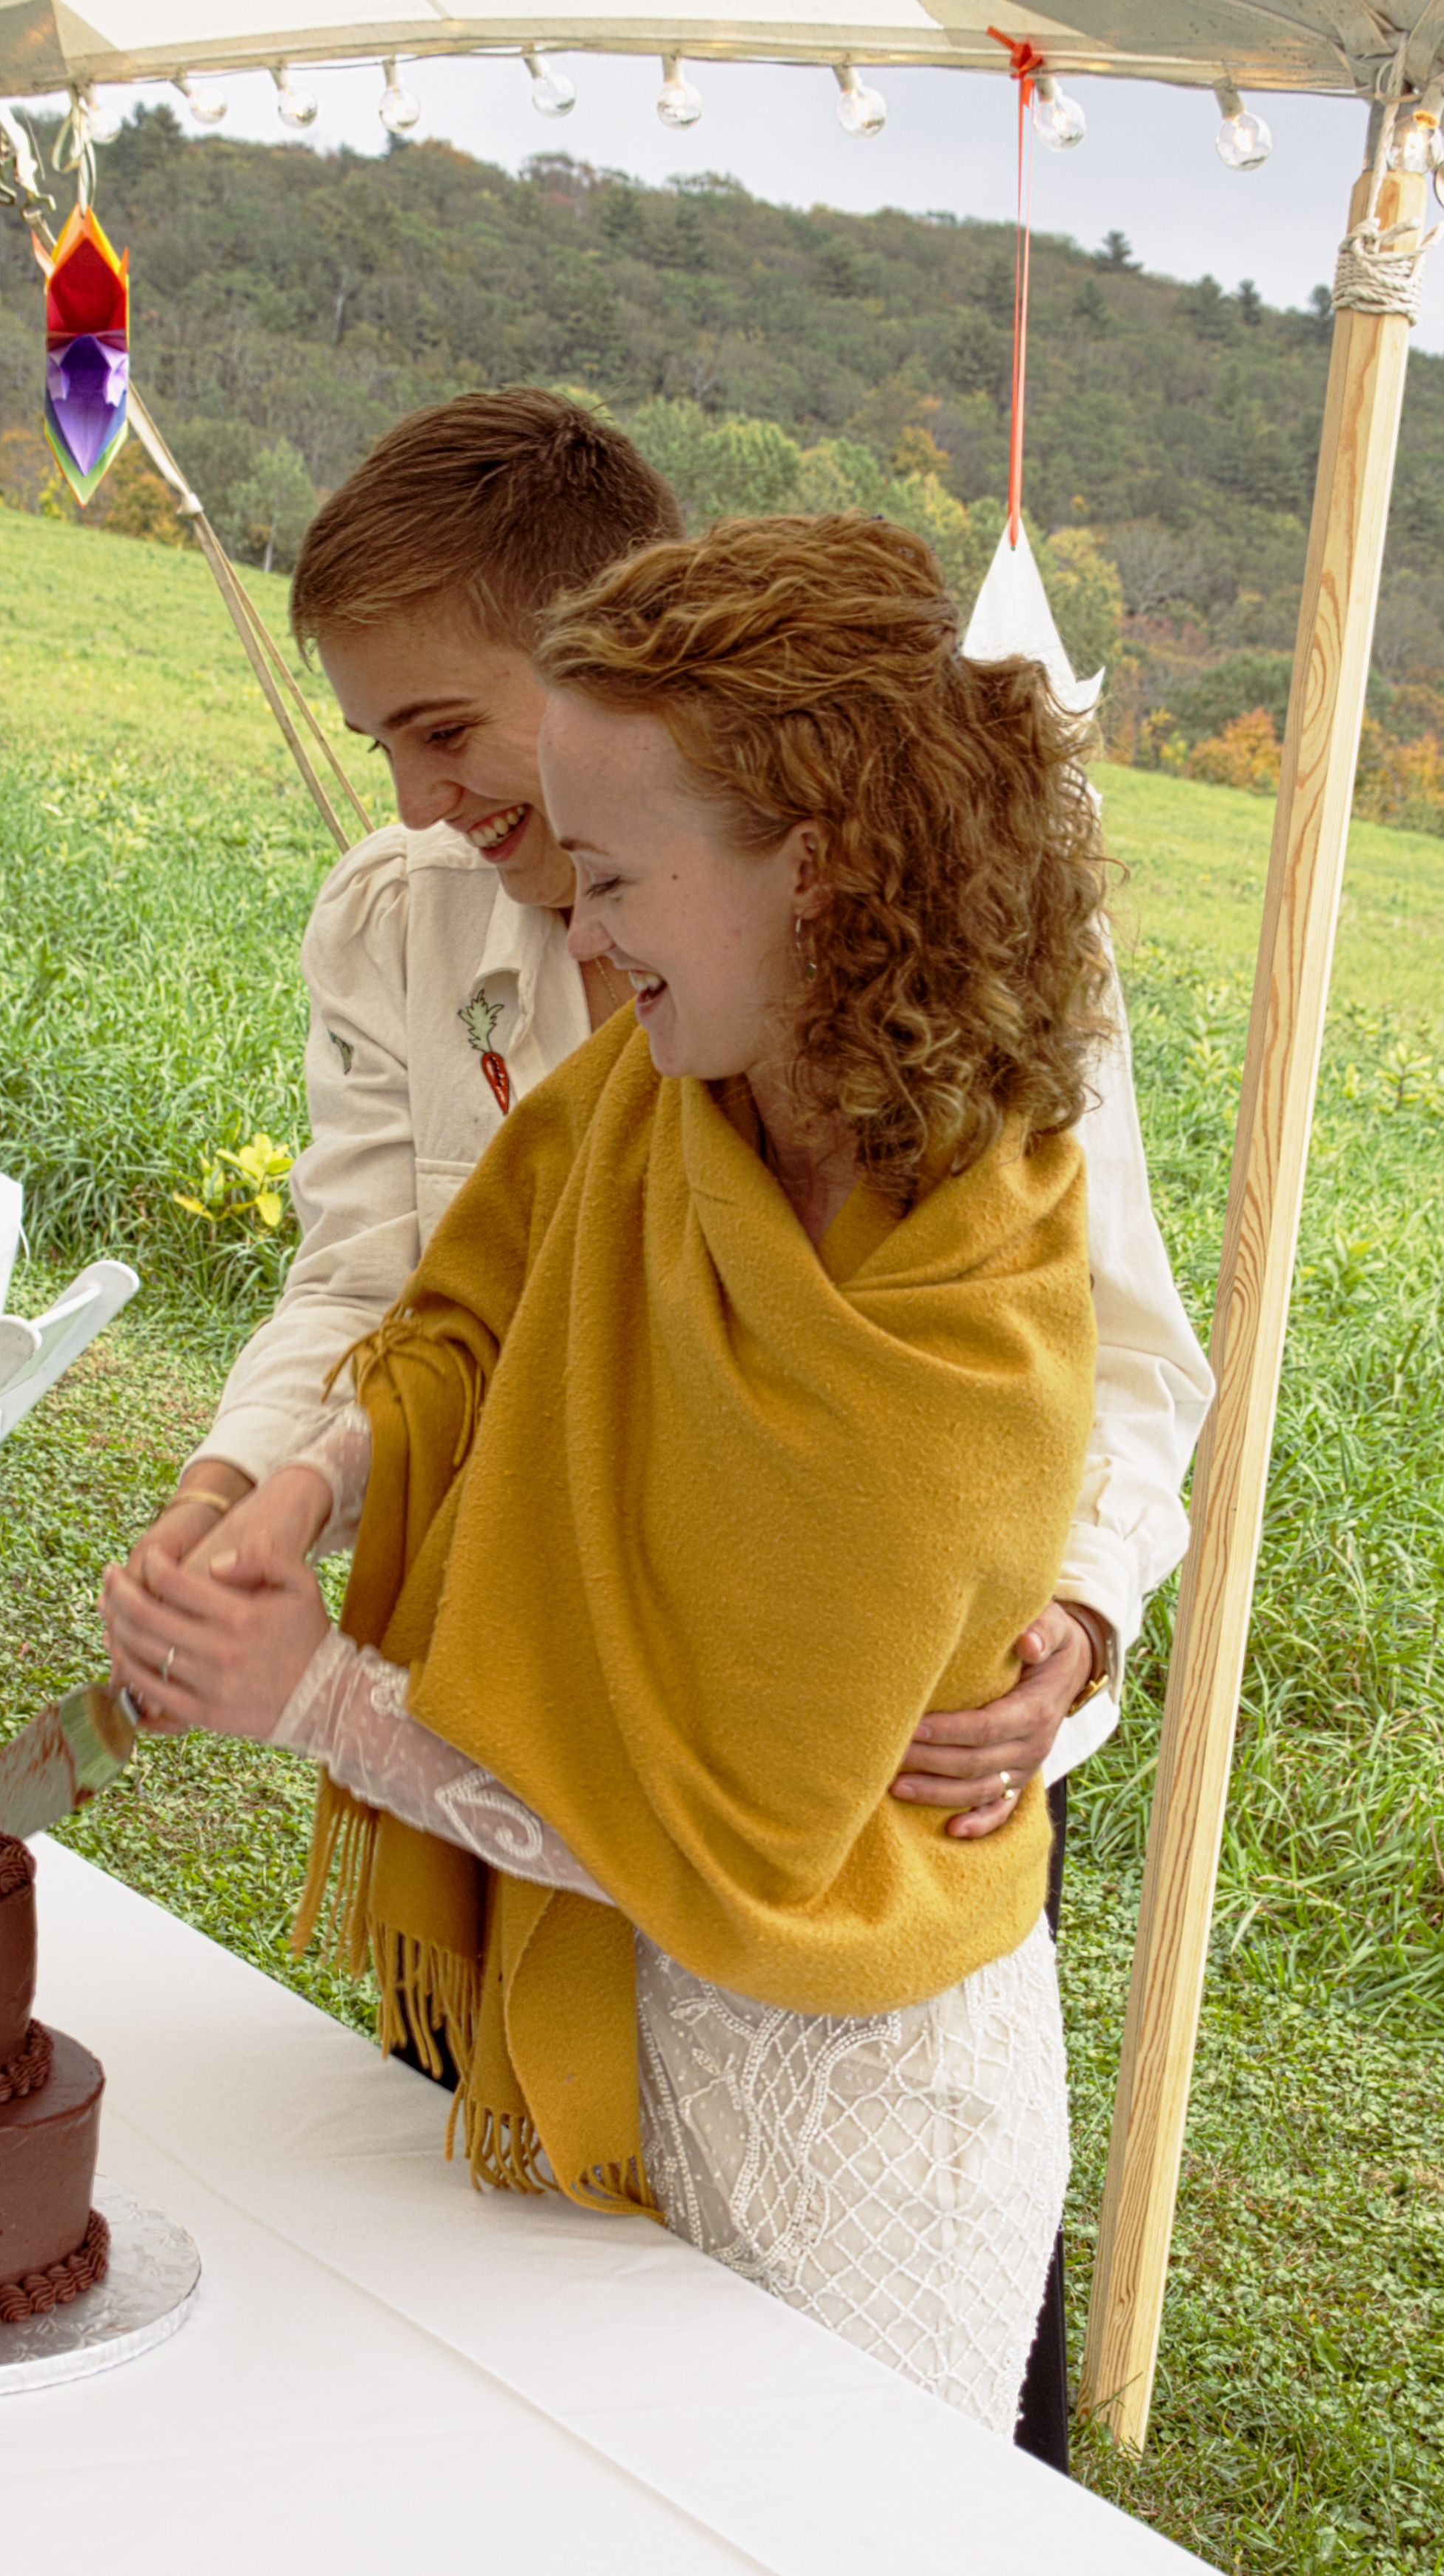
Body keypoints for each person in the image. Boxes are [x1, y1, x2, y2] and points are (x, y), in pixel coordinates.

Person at [127, 392, 1212, 2465]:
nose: (437, 807)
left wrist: (1063, 1628)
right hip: (516, 1739)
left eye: (453, 733)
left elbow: (1123, 1363)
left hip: (839, 1819)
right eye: (388, 752)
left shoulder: (962, 1083)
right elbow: (402, 1289)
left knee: (841, 2434)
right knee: (526, 2377)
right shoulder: (481, 961)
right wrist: (257, 1493)